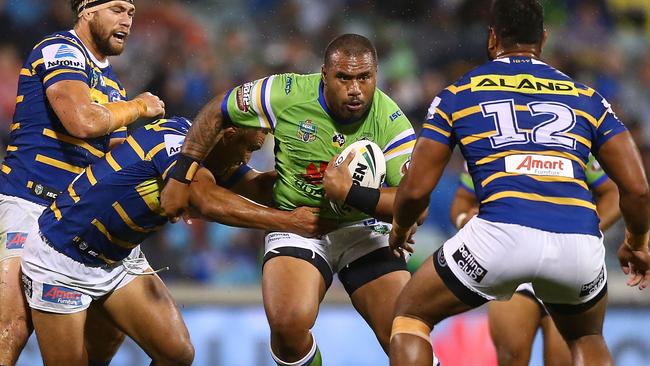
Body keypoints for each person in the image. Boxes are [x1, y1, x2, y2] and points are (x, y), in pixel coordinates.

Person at [387, 1, 650, 365]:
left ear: (492, 37)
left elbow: (416, 189)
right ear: (543, 38)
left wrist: (400, 228)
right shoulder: (587, 98)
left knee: (410, 317)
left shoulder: (459, 94)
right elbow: (637, 189)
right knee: (587, 336)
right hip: (577, 244)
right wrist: (637, 243)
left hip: (499, 237)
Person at [160, 34, 418, 366]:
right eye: (344, 77)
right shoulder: (285, 93)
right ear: (324, 75)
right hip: (299, 222)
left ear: (375, 76)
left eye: (364, 78)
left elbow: (412, 200)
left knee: (405, 333)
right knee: (286, 326)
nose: (355, 89)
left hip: (362, 230)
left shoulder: (391, 121)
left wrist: (350, 193)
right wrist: (182, 173)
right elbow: (217, 110)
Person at [20, 116, 330, 365]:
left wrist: (318, 180)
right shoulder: (176, 146)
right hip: (62, 256)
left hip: (117, 259)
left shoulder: (216, 158)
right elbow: (206, 200)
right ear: (229, 134)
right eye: (248, 148)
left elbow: (261, 189)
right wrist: (291, 222)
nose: (248, 158)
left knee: (177, 354)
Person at [0, 1, 165, 365]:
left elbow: (112, 157)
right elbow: (82, 121)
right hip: (27, 204)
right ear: (87, 10)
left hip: (73, 216)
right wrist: (139, 108)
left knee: (109, 333)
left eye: (132, 13)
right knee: (10, 329)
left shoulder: (113, 85)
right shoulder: (60, 50)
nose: (127, 20)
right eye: (118, 9)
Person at [450, 154, 620, 366]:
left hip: (564, 257)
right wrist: (465, 219)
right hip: (511, 258)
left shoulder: (572, 139)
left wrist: (588, 230)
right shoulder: (489, 139)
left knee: (563, 359)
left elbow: (612, 194)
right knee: (511, 356)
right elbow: (461, 201)